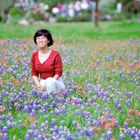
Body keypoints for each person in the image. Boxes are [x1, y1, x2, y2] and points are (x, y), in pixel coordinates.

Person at [31, 29, 65, 94]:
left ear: (48, 40)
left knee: (49, 81)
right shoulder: (34, 55)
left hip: (55, 82)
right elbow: (34, 73)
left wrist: (47, 85)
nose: (40, 40)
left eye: (43, 38)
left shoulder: (55, 54)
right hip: (42, 82)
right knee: (41, 96)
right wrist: (39, 86)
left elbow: (58, 73)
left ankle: (57, 96)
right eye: (38, 38)